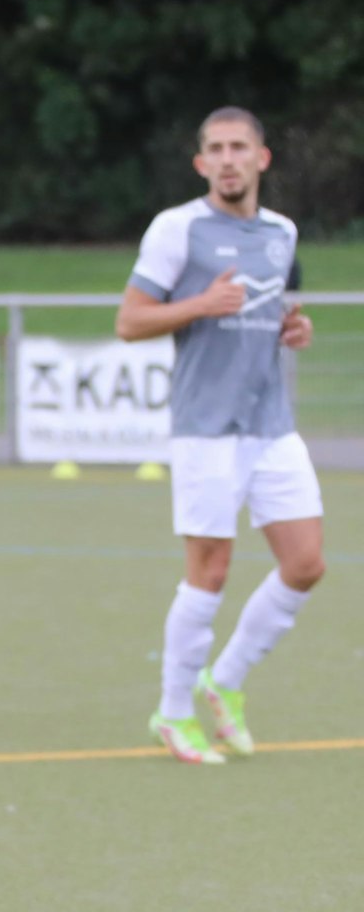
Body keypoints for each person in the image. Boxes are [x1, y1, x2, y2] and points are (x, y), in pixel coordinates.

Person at [116, 107, 323, 765]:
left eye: (240, 147)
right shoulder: (177, 228)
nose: (229, 158)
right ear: (201, 163)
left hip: (271, 424)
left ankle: (223, 682)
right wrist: (200, 305)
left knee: (306, 563)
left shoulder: (282, 233)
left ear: (262, 159)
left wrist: (292, 328)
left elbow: (267, 309)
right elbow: (129, 320)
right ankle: (173, 713)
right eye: (216, 148)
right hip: (207, 428)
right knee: (210, 572)